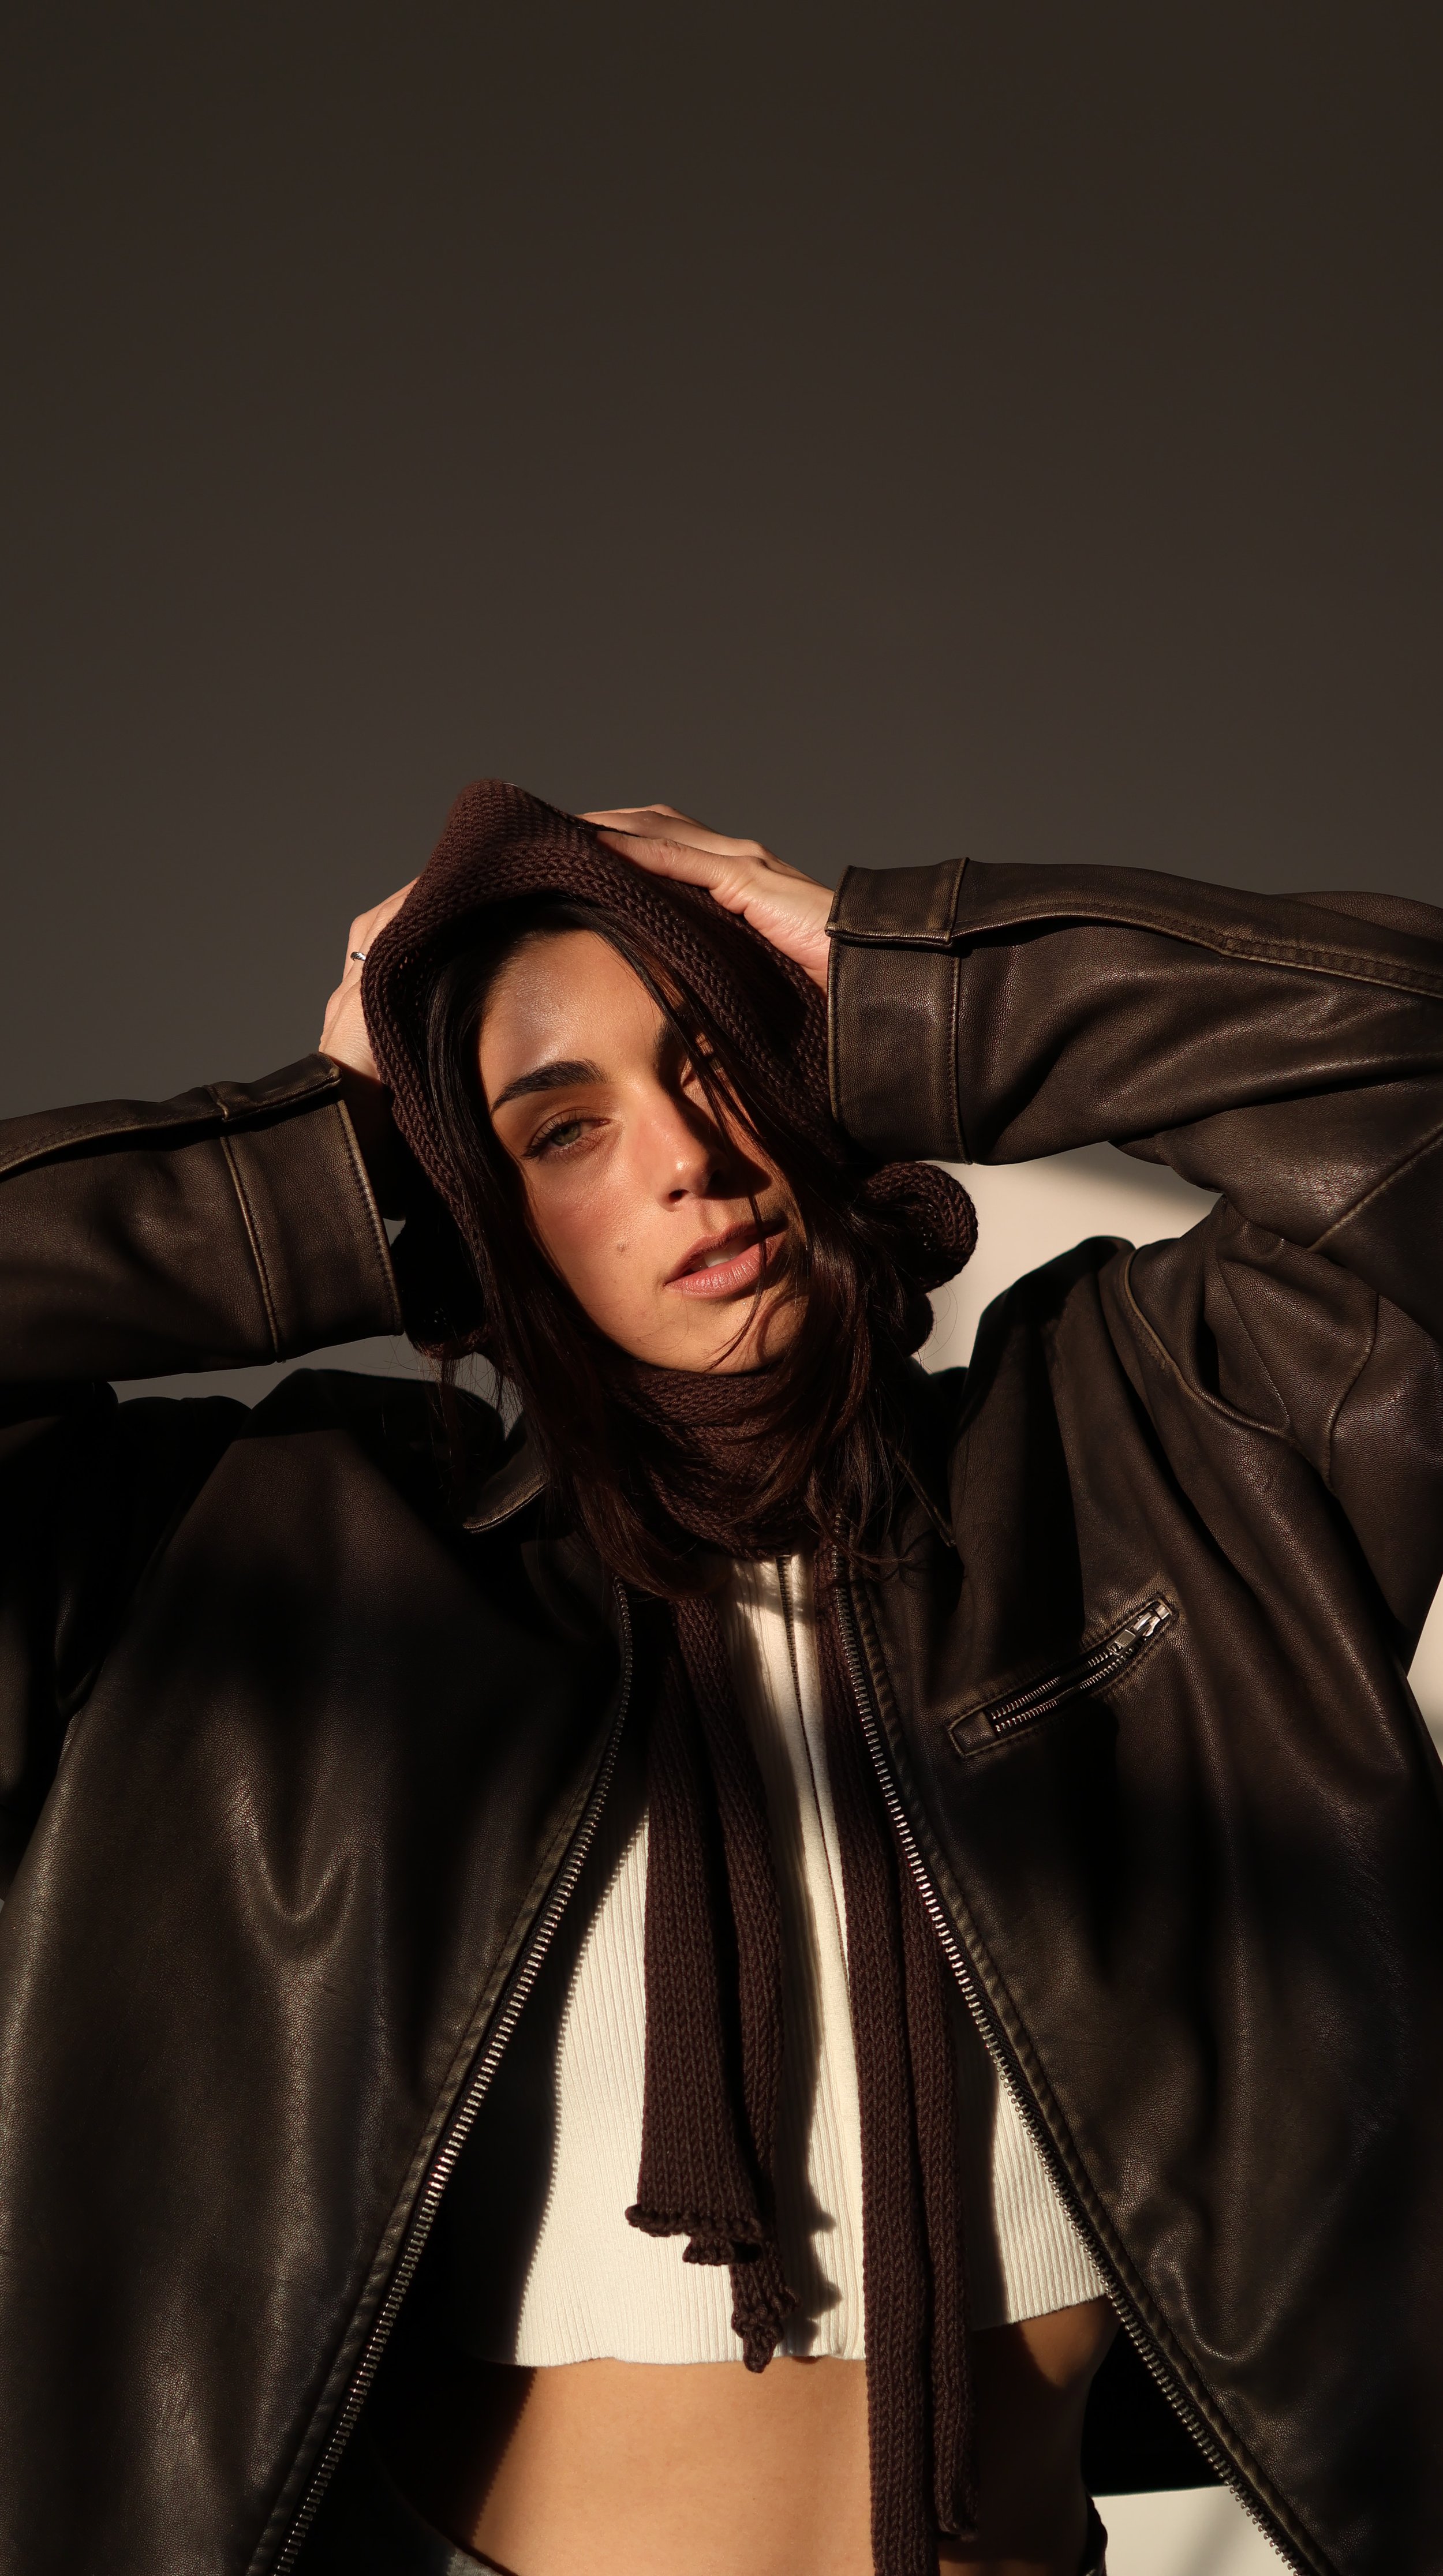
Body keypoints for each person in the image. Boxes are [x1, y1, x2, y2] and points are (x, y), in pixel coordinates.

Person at [0, 781, 1440, 2576]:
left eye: (713, 1058)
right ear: (480, 1214)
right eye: (557, 1131)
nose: (684, 1156)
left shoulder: (1150, 1472)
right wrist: (331, 1165)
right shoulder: (283, 1568)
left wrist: (903, 970)